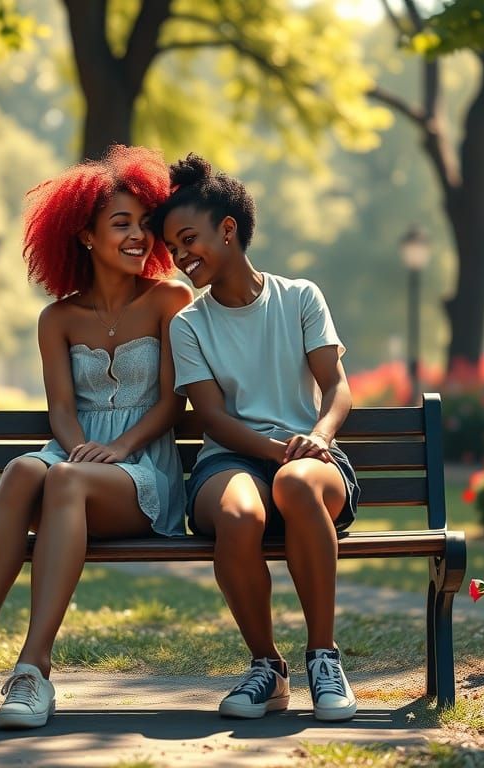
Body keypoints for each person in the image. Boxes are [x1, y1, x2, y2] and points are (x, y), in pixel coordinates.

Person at [0, 145, 193, 730]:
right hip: (74, 458)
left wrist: (117, 448)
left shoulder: (170, 299)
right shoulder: (58, 319)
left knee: (64, 479)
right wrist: (76, 446)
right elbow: (62, 409)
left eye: (146, 224)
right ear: (85, 235)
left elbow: (173, 402)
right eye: (121, 224)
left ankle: (33, 670)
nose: (138, 235)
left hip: (141, 471)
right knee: (24, 470)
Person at [152, 153, 360, 722]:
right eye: (173, 248)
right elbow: (213, 419)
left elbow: (336, 386)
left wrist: (318, 436)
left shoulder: (300, 298)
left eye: (189, 238)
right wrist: (273, 448)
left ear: (228, 229)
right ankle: (267, 667)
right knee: (241, 516)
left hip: (310, 462)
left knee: (295, 483)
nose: (181, 257)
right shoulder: (188, 324)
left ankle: (324, 658)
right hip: (230, 463)